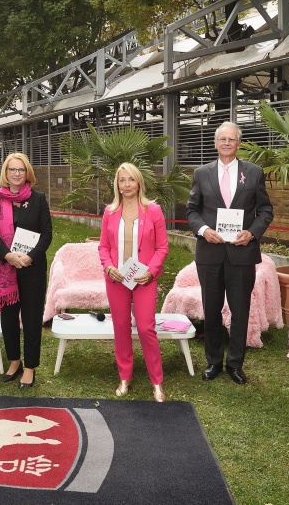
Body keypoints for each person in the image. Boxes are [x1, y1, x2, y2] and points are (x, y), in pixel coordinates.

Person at [186, 122, 273, 385]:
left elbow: (266, 211)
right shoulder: (202, 173)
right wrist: (202, 229)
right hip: (210, 254)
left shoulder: (254, 173)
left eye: (231, 139)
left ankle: (235, 364)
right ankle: (213, 362)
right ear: (215, 143)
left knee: (240, 310)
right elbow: (192, 210)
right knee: (211, 311)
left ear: (238, 144)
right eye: (222, 139)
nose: (226, 143)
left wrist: (252, 233)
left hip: (241, 254)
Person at [99, 163, 170, 402]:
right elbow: (103, 246)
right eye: (122, 180)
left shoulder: (153, 211)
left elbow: (162, 247)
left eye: (131, 180)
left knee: (146, 328)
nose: (126, 185)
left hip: (143, 279)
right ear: (116, 184)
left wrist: (151, 272)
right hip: (117, 279)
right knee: (120, 328)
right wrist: (108, 267)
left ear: (139, 182)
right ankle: (125, 377)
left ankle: (157, 381)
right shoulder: (109, 212)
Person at [0, 153, 52, 388]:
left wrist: (29, 256)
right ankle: (14, 360)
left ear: (28, 173)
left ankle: (30, 367)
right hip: (6, 266)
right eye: (12, 169)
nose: (16, 174)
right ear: (5, 173)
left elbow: (46, 234)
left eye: (21, 170)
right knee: (9, 317)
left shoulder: (38, 199)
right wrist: (8, 255)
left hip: (32, 267)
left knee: (33, 318)